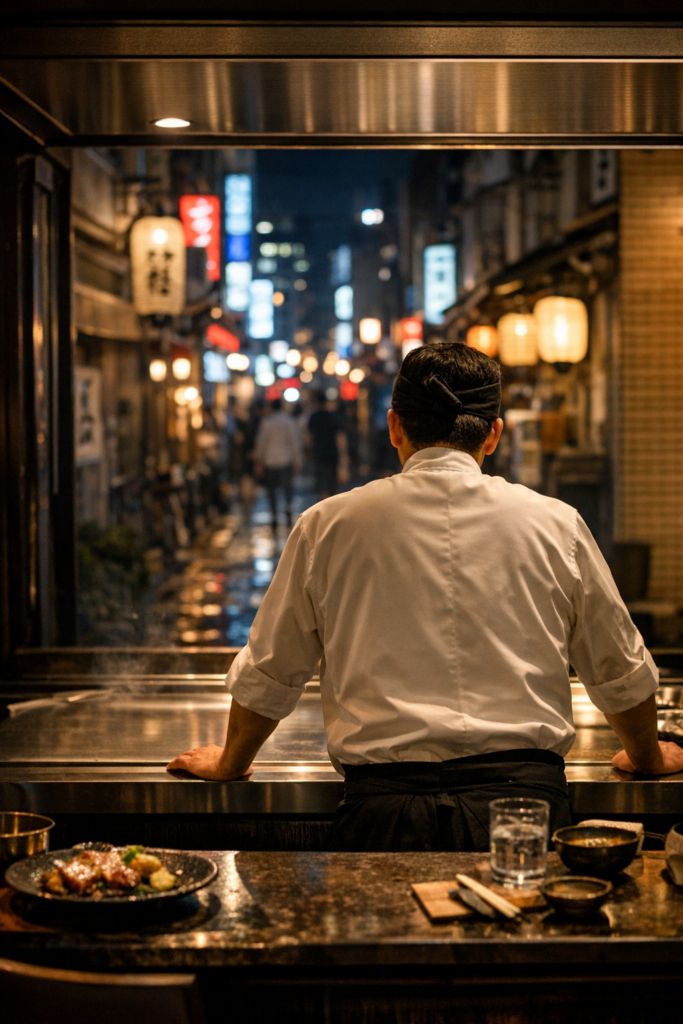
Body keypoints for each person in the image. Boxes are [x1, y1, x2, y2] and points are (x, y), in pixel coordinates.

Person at [168, 342, 683, 852]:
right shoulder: (555, 523)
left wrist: (230, 763)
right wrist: (647, 758)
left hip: (382, 812)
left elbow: (272, 670)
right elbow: (618, 666)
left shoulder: (327, 525)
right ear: (493, 435)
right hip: (525, 809)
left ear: (395, 426)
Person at [253, 398, 302, 532]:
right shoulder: (289, 421)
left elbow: (261, 444)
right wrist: (297, 460)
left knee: (271, 491)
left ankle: (274, 515)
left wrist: (258, 462)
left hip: (270, 461)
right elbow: (294, 443)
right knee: (287, 489)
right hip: (285, 460)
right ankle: (287, 510)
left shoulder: (266, 422)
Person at [307, 390, 346, 499]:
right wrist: (343, 455)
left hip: (318, 452)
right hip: (333, 452)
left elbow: (309, 437)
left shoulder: (313, 417)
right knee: (332, 482)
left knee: (322, 482)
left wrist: (309, 451)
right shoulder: (333, 416)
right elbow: (340, 437)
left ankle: (324, 505)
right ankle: (332, 505)